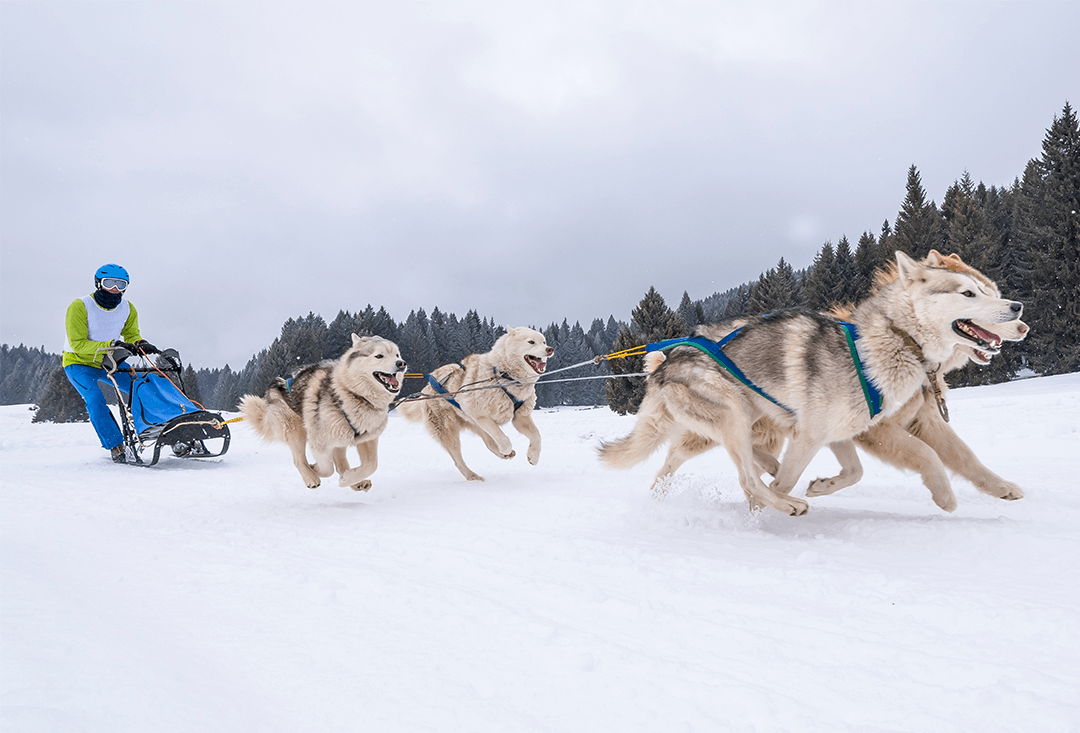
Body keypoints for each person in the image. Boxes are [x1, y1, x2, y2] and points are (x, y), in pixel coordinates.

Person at [63, 264, 160, 463]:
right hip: (78, 363)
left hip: (110, 361)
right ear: (98, 283)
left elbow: (131, 334)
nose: (115, 289)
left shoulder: (128, 308)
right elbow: (78, 344)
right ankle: (115, 445)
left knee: (143, 386)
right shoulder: (80, 306)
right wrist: (112, 344)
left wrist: (140, 343)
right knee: (94, 398)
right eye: (109, 283)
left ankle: (166, 428)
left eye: (120, 284)